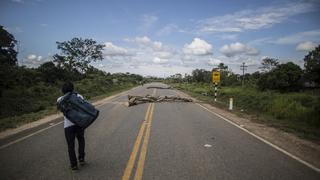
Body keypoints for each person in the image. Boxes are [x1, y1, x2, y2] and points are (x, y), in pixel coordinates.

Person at [57, 82, 86, 170]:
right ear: (73, 88)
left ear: (63, 90)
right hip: (79, 123)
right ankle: (81, 158)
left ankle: (73, 164)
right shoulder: (79, 96)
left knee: (70, 145)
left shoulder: (60, 99)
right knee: (81, 140)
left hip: (68, 126)